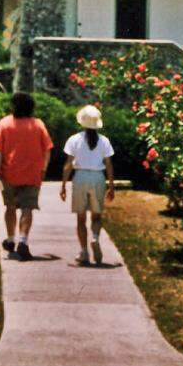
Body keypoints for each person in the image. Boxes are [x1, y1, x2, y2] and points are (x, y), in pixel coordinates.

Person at [0, 92, 53, 261]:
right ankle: (23, 241)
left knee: (9, 207)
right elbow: (47, 149)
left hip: (8, 174)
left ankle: (10, 239)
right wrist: (43, 169)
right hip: (32, 174)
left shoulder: (4, 124)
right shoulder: (38, 125)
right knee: (27, 209)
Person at [59, 105, 115, 266]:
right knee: (96, 216)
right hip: (98, 177)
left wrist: (63, 185)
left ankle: (84, 251)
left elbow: (68, 164)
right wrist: (111, 186)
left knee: (81, 218)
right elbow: (109, 164)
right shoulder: (104, 141)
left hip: (80, 177)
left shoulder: (74, 139)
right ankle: (95, 238)